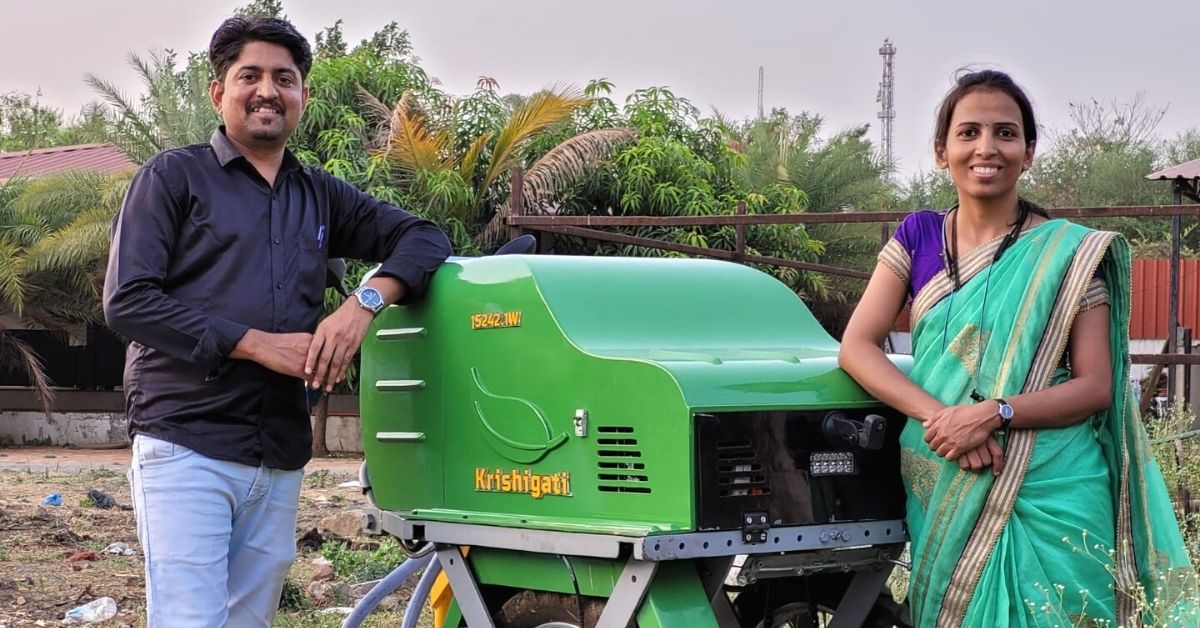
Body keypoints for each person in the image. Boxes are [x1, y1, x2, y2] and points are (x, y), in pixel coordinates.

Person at [102, 16, 451, 627]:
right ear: (219, 92)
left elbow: (422, 237)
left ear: (303, 97)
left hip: (278, 452)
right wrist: (257, 345)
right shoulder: (172, 178)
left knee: (249, 622)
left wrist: (361, 305)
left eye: (284, 78)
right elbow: (128, 301)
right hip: (187, 442)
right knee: (190, 619)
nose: (268, 90)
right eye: (250, 75)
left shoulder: (317, 193)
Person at [839, 69, 1195, 626]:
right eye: (969, 132)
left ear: (1028, 152)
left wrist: (994, 413)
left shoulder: (1068, 256)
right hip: (950, 462)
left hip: (1053, 482)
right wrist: (949, 420)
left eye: (1005, 133)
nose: (987, 148)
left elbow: (1096, 386)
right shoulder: (918, 237)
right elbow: (857, 348)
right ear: (941, 150)